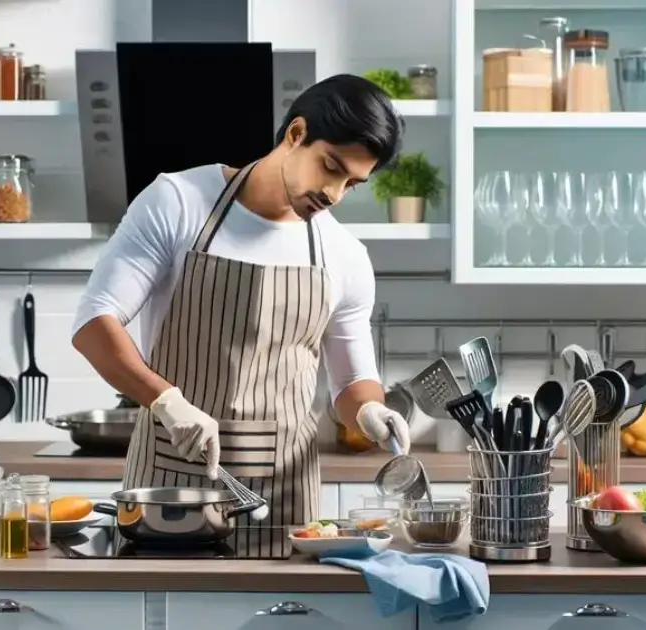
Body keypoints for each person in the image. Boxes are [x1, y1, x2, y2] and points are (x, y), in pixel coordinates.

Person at [71, 74, 416, 555]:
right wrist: (168, 403)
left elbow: (351, 382)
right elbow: (94, 323)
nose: (334, 193)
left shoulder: (344, 254)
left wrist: (370, 412)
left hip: (286, 496)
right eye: (330, 167)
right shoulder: (177, 202)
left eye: (351, 183)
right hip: (175, 483)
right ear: (296, 134)